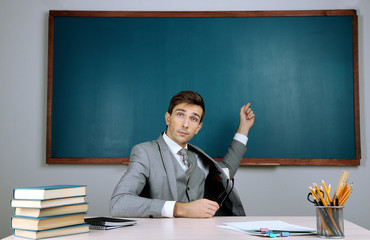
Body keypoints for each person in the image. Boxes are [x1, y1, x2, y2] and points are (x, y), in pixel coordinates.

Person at [110, 90, 255, 218]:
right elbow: (119, 202)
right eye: (180, 114)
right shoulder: (144, 152)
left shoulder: (199, 158)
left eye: (193, 118)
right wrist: (179, 209)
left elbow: (225, 171)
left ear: (198, 127)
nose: (186, 124)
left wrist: (244, 128)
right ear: (168, 118)